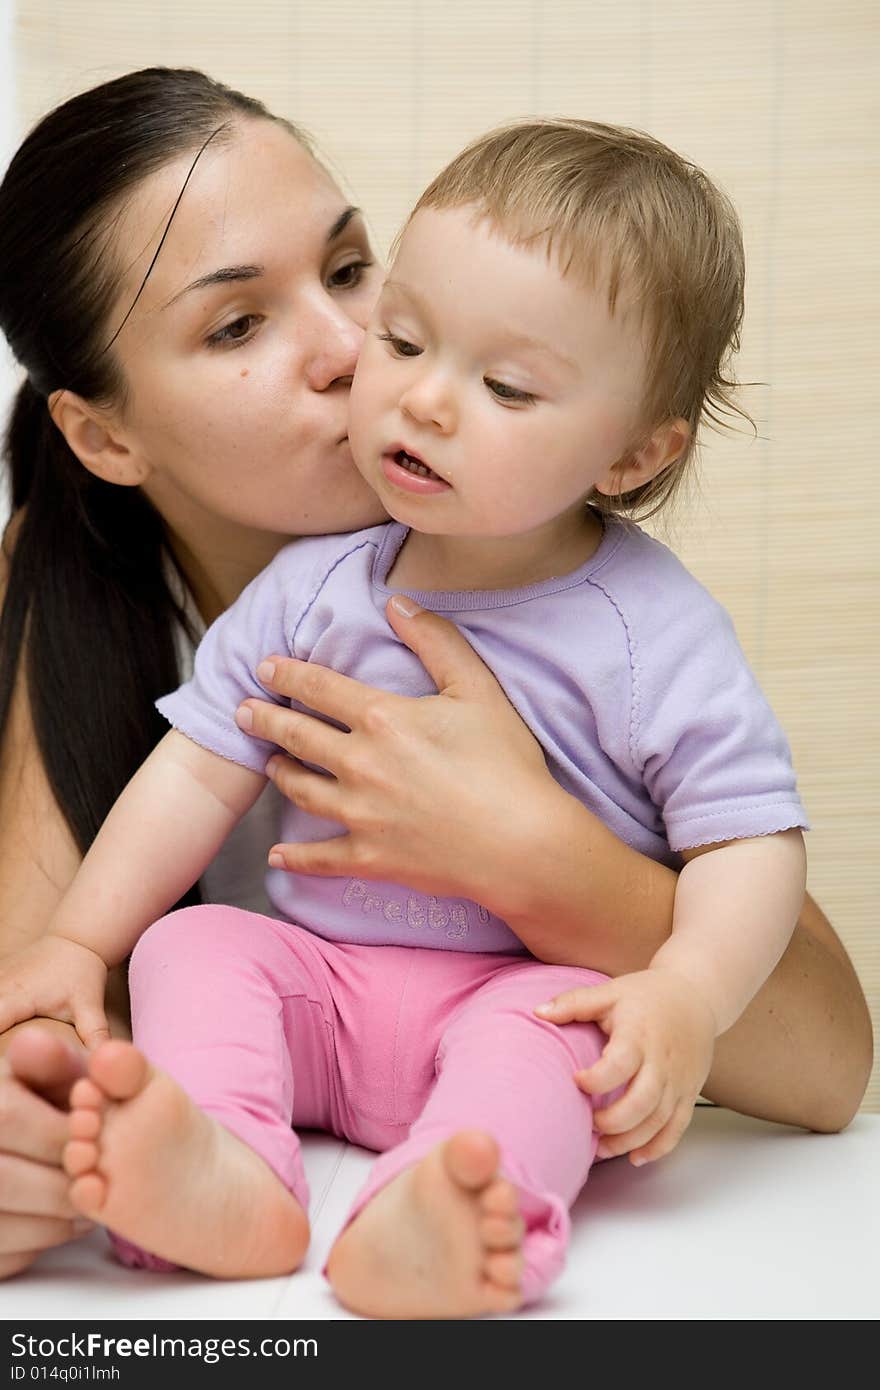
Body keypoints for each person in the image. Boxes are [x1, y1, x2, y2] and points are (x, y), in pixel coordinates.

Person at [0, 71, 871, 1289]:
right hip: (318, 1020)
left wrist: (539, 857)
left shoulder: (610, 606)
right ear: (102, 437)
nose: (364, 357)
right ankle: (224, 1184)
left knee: (533, 1053)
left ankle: (446, 1212)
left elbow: (828, 1065)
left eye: (355, 273)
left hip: (510, 1019)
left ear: (630, 451)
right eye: (238, 324)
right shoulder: (97, 608)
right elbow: (47, 968)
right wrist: (49, 1112)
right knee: (190, 946)